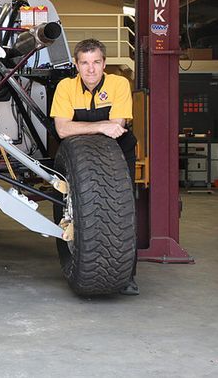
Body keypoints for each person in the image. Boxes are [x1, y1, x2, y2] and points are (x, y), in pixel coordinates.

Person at [50, 38, 139, 296]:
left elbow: (118, 126)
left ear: (104, 64)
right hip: (77, 160)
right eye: (85, 63)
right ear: (76, 65)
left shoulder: (118, 84)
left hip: (118, 153)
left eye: (96, 63)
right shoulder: (65, 87)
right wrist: (101, 126)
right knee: (83, 210)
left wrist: (95, 128)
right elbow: (62, 128)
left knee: (122, 211)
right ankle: (81, 262)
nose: (90, 69)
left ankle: (127, 276)